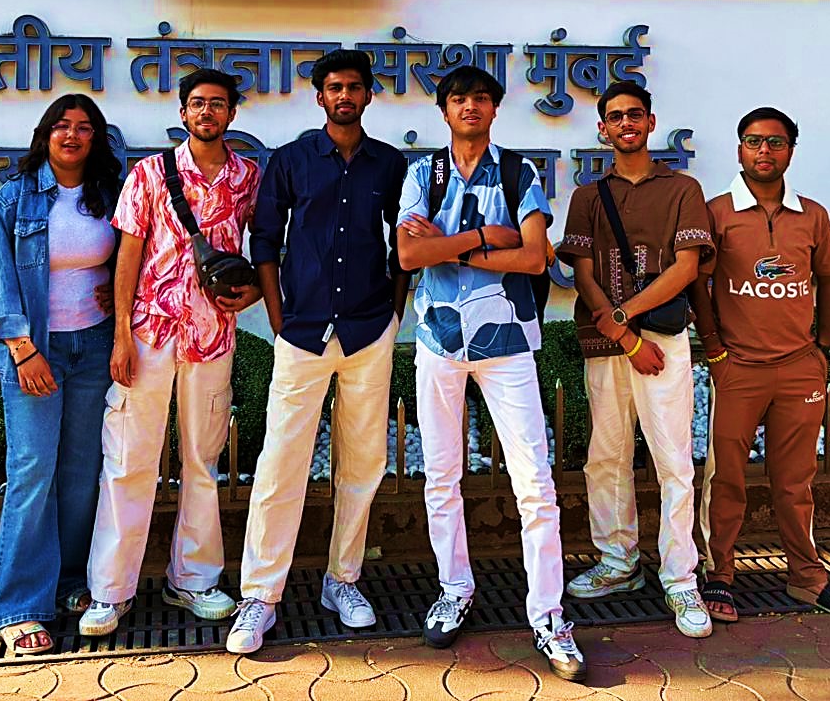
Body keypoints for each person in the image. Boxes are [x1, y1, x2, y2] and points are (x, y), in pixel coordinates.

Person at [397, 66, 586, 682]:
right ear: (444, 111)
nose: (470, 107)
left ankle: (548, 613)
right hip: (439, 341)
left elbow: (534, 257)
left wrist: (450, 244)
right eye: (459, 99)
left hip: (508, 342)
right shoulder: (421, 174)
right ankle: (454, 589)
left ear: (495, 109)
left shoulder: (519, 172)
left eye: (481, 98)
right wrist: (484, 235)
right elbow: (408, 255)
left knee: (535, 482)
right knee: (442, 476)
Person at [226, 49, 411, 653]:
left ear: (368, 95)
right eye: (334, 87)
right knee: (282, 461)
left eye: (354, 87)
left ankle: (343, 579)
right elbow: (265, 241)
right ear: (319, 96)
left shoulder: (389, 164)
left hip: (366, 331)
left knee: (362, 461)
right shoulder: (289, 161)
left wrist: (393, 311)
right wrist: (278, 318)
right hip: (302, 332)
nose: (345, 96)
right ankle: (261, 594)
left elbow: (402, 242)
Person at [81, 68, 263, 636]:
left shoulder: (249, 178)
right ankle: (110, 593)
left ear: (231, 114)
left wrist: (255, 290)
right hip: (150, 334)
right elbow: (127, 257)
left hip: (212, 337)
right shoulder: (149, 175)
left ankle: (195, 580)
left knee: (201, 464)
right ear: (183, 113)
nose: (206, 112)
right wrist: (119, 339)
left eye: (216, 104)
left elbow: (271, 245)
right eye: (196, 104)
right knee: (129, 461)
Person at [693, 107, 830, 624]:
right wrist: (716, 351)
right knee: (726, 479)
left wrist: (824, 348)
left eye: (775, 142)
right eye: (753, 142)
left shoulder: (812, 214)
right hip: (738, 367)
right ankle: (718, 573)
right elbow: (698, 285)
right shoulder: (716, 211)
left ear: (791, 148)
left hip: (799, 369)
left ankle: (807, 577)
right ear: (739, 149)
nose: (763, 152)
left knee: (795, 482)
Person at [559, 81, 714, 638]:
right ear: (603, 129)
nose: (625, 123)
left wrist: (626, 320)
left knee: (673, 460)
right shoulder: (587, 195)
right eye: (615, 116)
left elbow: (686, 267)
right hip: (607, 345)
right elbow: (581, 270)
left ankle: (680, 577)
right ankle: (618, 562)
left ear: (651, 123)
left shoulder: (682, 189)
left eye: (635, 115)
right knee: (606, 455)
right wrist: (622, 332)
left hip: (662, 343)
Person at [0, 93, 123, 655]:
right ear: (45, 134)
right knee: (34, 468)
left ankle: (69, 584)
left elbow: (136, 255)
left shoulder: (111, 195)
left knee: (82, 470)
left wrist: (118, 285)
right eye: (62, 125)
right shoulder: (14, 200)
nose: (73, 135)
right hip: (35, 351)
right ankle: (19, 604)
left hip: (94, 346)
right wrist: (22, 348)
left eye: (85, 127)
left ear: (97, 139)